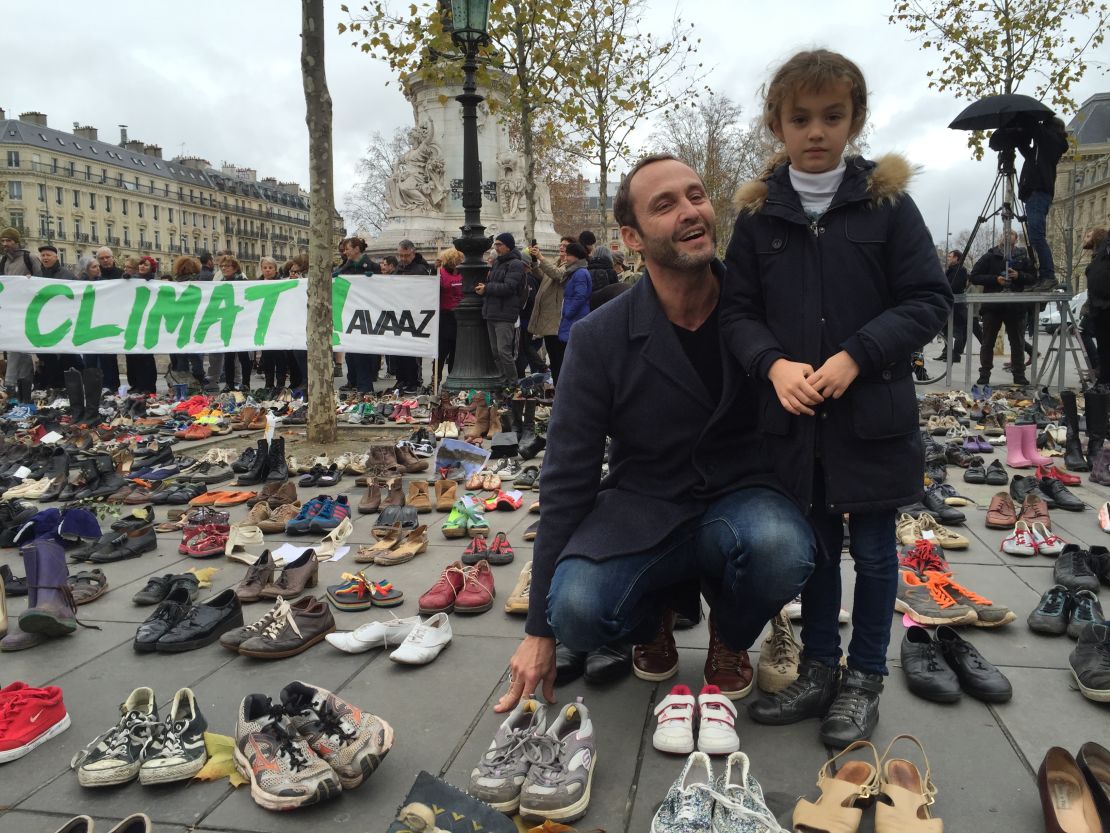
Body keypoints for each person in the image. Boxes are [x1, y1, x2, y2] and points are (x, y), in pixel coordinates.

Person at [497, 153, 816, 717]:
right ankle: (654, 616)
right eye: (665, 205)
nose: (691, 212)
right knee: (573, 609)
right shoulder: (600, 336)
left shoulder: (762, 312)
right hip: (643, 505)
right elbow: (568, 473)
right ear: (632, 237)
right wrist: (541, 631)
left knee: (783, 547)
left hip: (742, 498)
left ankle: (729, 629)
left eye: (696, 196)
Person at [721, 49, 952, 746]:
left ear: (855, 120)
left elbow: (928, 298)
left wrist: (859, 353)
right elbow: (737, 311)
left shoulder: (887, 207)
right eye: (800, 118)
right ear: (777, 125)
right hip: (796, 420)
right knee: (816, 549)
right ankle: (819, 666)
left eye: (832, 116)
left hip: (872, 416)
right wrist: (774, 364)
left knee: (877, 553)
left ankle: (864, 678)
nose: (816, 131)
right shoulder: (760, 221)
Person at [992, 116, 1070, 289]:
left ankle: (1048, 275)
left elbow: (1033, 125)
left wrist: (1020, 117)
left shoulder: (1052, 141)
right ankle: (1045, 276)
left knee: (1036, 236)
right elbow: (1028, 154)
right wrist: (1017, 140)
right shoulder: (1042, 149)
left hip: (1038, 193)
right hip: (1034, 194)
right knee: (1036, 236)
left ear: (1049, 128)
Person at [970, 229, 1036, 387]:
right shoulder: (990, 256)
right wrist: (995, 279)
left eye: (1010, 234)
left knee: (1017, 342)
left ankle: (1019, 375)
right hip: (992, 306)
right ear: (1000, 238)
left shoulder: (1023, 257)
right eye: (1004, 234)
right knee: (987, 342)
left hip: (1015, 306)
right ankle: (984, 374)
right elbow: (974, 276)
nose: (1007, 236)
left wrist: (1018, 276)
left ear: (1016, 239)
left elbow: (1034, 278)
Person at [476, 233, 525, 390]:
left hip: (505, 314)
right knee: (496, 352)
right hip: (492, 312)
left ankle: (513, 383)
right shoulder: (498, 263)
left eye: (499, 244)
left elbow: (509, 287)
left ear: (508, 246)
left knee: (504, 352)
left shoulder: (516, 264)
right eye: (495, 244)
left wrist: (487, 288)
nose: (496, 247)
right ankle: (503, 381)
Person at [1, 227, 43, 398]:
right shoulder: (4, 261)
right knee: (20, 349)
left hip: (29, 309)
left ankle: (10, 383)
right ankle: (25, 386)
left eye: (8, 241)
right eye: (3, 241)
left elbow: (42, 280)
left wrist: (30, 282)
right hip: (11, 310)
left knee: (16, 347)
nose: (5, 244)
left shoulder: (29, 257)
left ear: (16, 242)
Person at [528, 238, 572, 384]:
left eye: (565, 246)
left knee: (557, 355)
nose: (561, 247)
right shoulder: (557, 262)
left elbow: (557, 274)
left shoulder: (569, 266)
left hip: (556, 318)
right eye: (560, 244)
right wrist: (535, 262)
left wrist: (541, 257)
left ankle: (560, 384)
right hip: (548, 317)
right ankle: (556, 382)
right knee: (553, 355)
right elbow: (545, 276)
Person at [392, 240, 431, 391]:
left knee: (412, 351)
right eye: (400, 255)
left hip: (414, 314)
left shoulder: (421, 269)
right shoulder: (399, 268)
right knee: (398, 351)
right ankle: (401, 379)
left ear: (413, 253)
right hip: (399, 313)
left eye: (406, 255)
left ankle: (413, 380)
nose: (403, 259)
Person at [935, 249, 981, 363]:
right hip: (950, 305)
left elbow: (954, 287)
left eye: (950, 256)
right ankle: (946, 353)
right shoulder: (950, 270)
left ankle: (955, 355)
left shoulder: (960, 271)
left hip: (957, 307)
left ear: (956, 258)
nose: (948, 258)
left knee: (957, 332)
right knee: (947, 330)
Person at [216, 256, 253, 391]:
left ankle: (246, 383)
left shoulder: (243, 282)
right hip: (227, 323)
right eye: (222, 266)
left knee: (244, 357)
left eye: (227, 266)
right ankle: (229, 384)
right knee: (229, 357)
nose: (224, 268)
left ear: (235, 268)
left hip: (241, 323)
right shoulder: (219, 283)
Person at [1084, 228, 1110, 385]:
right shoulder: (1099, 255)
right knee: (1104, 348)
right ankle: (1103, 380)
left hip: (1105, 305)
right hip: (1098, 307)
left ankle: (1103, 377)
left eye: (1088, 235)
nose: (1084, 238)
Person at [436, 247, 463, 387]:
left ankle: (452, 379)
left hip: (460, 316)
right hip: (445, 316)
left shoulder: (463, 274)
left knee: (456, 351)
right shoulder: (440, 274)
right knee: (441, 351)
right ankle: (436, 379)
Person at [557, 242, 592, 342]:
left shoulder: (580, 273)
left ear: (576, 256)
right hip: (574, 317)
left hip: (574, 317)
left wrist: (568, 313)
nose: (566, 258)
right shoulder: (577, 271)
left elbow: (580, 296)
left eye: (568, 255)